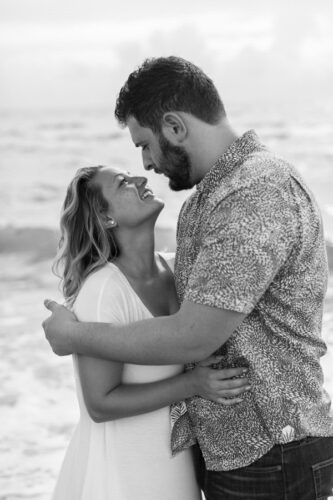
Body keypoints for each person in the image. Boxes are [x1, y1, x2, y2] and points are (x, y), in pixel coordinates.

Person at [43, 57, 333, 499]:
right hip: (236, 452)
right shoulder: (205, 201)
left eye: (145, 144)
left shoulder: (252, 193)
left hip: (272, 449)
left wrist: (74, 337)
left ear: (175, 127)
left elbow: (194, 336)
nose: (146, 163)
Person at [50, 165, 250, 500]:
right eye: (123, 183)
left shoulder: (176, 270)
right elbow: (100, 404)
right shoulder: (104, 290)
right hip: (126, 470)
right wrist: (192, 384)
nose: (141, 180)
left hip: (175, 462)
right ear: (106, 217)